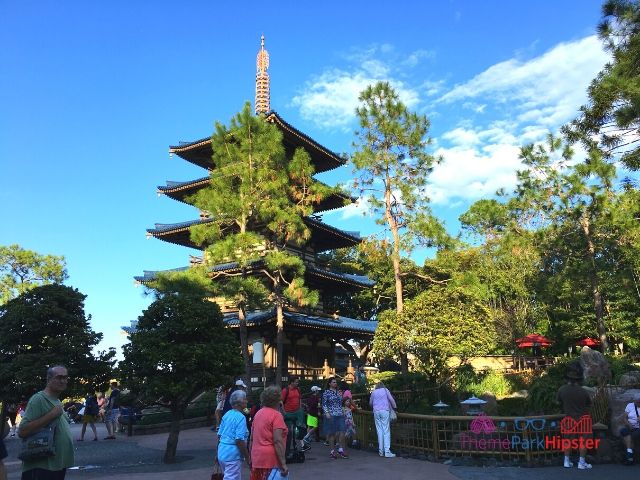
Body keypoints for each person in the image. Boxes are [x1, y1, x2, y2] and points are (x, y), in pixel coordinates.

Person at [18, 364, 74, 480]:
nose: (63, 381)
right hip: (41, 467)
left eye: (65, 377)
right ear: (49, 379)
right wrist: (51, 415)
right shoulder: (38, 399)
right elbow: (22, 431)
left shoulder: (57, 401)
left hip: (56, 465)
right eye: (59, 377)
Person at [556, 362, 592, 470]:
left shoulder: (562, 390)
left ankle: (566, 461)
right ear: (579, 378)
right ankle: (581, 462)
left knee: (568, 440)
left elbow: (558, 402)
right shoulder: (583, 391)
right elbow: (589, 404)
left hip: (569, 419)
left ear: (567, 377)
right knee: (583, 441)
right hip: (583, 419)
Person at [249, 386, 288, 480]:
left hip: (257, 457)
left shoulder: (258, 413)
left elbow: (252, 438)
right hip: (271, 459)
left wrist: (251, 458)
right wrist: (283, 463)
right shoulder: (276, 415)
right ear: (278, 400)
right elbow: (277, 441)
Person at [215, 389, 250, 480]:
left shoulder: (227, 414)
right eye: (245, 399)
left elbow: (220, 434)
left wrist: (217, 453)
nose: (247, 401)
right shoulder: (241, 417)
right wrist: (247, 457)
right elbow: (239, 440)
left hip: (222, 451)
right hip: (232, 454)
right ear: (239, 402)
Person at [322, 377, 348, 459]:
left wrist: (343, 410)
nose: (335, 383)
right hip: (331, 414)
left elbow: (341, 403)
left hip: (340, 413)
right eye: (333, 382)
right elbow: (324, 403)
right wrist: (326, 412)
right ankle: (332, 451)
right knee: (332, 433)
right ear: (329, 383)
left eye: (336, 382)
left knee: (342, 431)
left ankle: (340, 449)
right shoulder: (326, 393)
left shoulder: (338, 392)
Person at [369, 381, 397, 458]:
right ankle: (387, 451)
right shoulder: (385, 390)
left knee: (379, 431)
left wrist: (374, 406)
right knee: (386, 431)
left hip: (376, 412)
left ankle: (381, 451)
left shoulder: (374, 392)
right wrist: (395, 407)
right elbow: (391, 399)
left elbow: (370, 402)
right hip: (385, 411)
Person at [281, 376, 308, 452]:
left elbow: (299, 399)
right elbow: (281, 402)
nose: (297, 383)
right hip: (288, 412)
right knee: (289, 430)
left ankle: (302, 444)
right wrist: (284, 413)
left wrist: (300, 408)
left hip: (297, 411)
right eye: (296, 382)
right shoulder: (285, 390)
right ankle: (287, 448)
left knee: (300, 428)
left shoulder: (298, 390)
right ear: (291, 382)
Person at [620, 394, 640, 465]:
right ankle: (630, 456)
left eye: (639, 402)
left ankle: (629, 456)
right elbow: (624, 418)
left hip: (638, 427)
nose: (638, 403)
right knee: (623, 431)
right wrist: (629, 424)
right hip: (630, 426)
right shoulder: (630, 405)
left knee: (630, 436)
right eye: (636, 402)